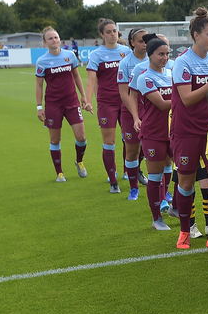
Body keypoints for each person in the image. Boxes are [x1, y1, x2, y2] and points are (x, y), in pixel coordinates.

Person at [170, 7, 208, 250]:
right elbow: (187, 99)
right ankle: (184, 230)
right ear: (196, 35)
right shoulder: (182, 62)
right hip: (185, 131)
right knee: (186, 183)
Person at [35, 27, 91, 182]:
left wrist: (83, 96)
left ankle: (79, 161)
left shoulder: (70, 56)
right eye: (51, 38)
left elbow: (76, 76)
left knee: (81, 137)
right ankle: (59, 172)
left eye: (56, 37)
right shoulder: (42, 61)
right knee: (55, 140)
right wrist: (39, 107)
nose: (54, 40)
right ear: (45, 42)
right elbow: (39, 86)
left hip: (72, 102)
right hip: (53, 105)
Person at [86, 18, 133, 193]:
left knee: (129, 138)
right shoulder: (96, 55)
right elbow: (91, 81)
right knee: (109, 142)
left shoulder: (127, 52)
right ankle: (113, 181)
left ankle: (128, 171)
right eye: (108, 32)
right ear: (101, 34)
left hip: (126, 101)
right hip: (107, 103)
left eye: (114, 31)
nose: (112, 34)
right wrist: (88, 101)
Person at [135, 34, 173, 231]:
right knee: (155, 176)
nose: (165, 58)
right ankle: (156, 217)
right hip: (153, 133)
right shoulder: (145, 78)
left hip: (173, 131)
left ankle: (173, 205)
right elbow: (161, 104)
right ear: (150, 55)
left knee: (183, 170)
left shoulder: (171, 74)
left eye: (167, 54)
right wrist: (189, 97)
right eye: (160, 54)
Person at [117, 27, 148, 201]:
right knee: (132, 150)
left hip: (151, 110)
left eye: (146, 40)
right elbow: (124, 93)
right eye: (141, 41)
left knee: (151, 149)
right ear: (132, 43)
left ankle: (162, 189)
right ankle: (133, 188)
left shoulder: (154, 59)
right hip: (130, 111)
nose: (144, 44)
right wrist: (135, 114)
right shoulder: (125, 63)